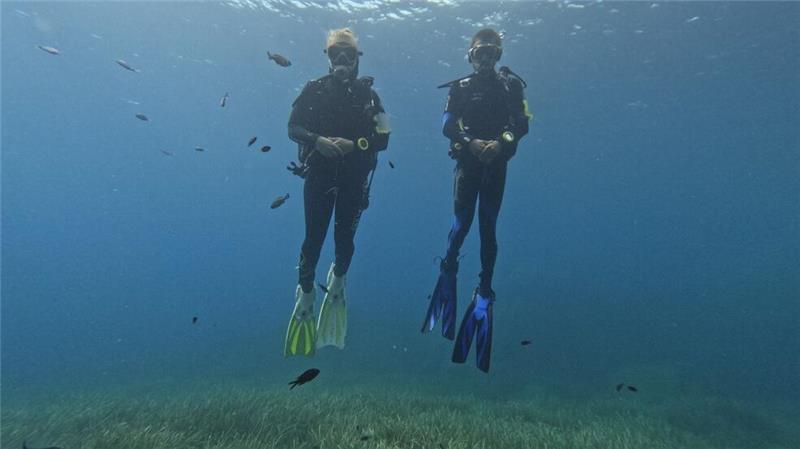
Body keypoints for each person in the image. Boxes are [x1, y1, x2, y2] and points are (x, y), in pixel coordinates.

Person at [421, 28, 531, 372]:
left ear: (498, 55)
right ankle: (449, 268)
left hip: (495, 165)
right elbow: (446, 123)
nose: (486, 59)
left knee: (488, 227)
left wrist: (501, 142)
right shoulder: (461, 87)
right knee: (461, 224)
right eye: (480, 53)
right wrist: (470, 142)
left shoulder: (511, 85)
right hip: (469, 164)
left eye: (491, 52)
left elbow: (522, 123)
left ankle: (484, 290)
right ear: (470, 55)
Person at [284, 28, 390, 357]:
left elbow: (383, 138)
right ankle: (305, 295)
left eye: (347, 54)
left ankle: (339, 279)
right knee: (312, 240)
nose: (341, 60)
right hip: (318, 176)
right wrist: (317, 141)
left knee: (345, 242)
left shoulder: (370, 97)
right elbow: (292, 127)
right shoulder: (314, 90)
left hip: (354, 180)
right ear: (328, 58)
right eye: (335, 54)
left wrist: (353, 145)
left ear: (357, 58)